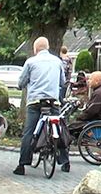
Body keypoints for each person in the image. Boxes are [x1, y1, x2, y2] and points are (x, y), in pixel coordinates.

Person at [15, 37, 67, 175]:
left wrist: (22, 86)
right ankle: (65, 162)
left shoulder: (30, 62)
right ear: (48, 47)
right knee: (59, 128)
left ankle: (22, 164)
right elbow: (63, 82)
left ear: (35, 49)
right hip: (53, 101)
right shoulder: (57, 61)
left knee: (29, 132)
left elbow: (21, 82)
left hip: (35, 102)